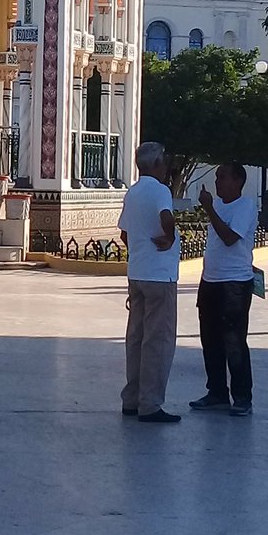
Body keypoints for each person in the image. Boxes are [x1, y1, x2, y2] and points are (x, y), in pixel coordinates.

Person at [118, 141, 181, 424]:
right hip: (160, 274)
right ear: (156, 164)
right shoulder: (160, 191)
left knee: (136, 337)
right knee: (158, 340)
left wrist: (139, 250)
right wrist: (169, 236)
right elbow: (166, 217)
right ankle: (151, 403)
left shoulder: (132, 192)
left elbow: (124, 234)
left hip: (138, 272)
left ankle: (132, 397)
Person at [190, 163, 258, 417]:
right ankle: (217, 392)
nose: (217, 182)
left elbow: (230, 238)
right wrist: (211, 208)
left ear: (238, 181)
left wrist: (208, 209)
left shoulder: (245, 206)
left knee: (234, 341)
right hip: (210, 280)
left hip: (234, 284)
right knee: (210, 339)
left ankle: (242, 396)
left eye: (222, 177)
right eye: (216, 177)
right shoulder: (217, 204)